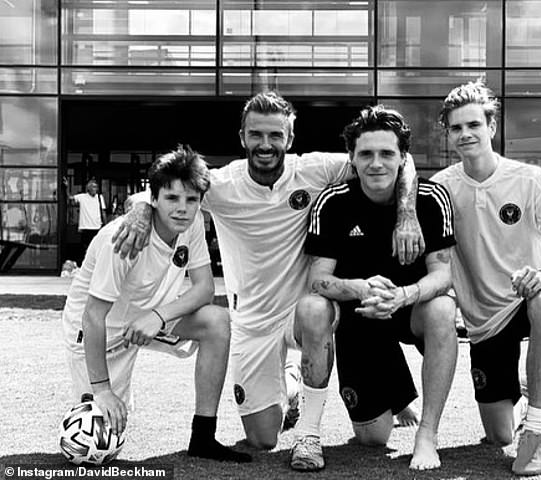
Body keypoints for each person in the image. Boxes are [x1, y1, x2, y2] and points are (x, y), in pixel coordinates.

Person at [110, 92, 424, 471]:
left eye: (276, 135)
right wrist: (141, 213)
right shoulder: (219, 185)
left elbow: (396, 163)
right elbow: (152, 195)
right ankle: (292, 382)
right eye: (256, 134)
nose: (265, 144)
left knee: (315, 311)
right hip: (252, 323)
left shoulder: (315, 169)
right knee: (263, 439)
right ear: (242, 137)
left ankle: (309, 433)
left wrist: (407, 212)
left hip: (305, 313)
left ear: (289, 140)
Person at [61, 145, 251, 463]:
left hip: (149, 316)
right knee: (99, 438)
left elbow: (204, 289)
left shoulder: (190, 226)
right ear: (154, 199)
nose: (182, 208)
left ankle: (203, 437)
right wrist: (103, 389)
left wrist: (158, 316)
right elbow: (93, 317)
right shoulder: (122, 239)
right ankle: (97, 396)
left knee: (218, 321)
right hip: (100, 335)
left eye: (191, 200)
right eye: (172, 198)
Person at [431, 80, 541, 476]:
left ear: (491, 127)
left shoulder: (530, 179)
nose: (466, 134)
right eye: (457, 128)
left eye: (474, 125)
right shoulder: (442, 188)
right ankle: (530, 392)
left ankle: (534, 431)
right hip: (484, 319)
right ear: (448, 133)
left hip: (531, 297)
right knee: (497, 436)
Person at [302, 105, 457, 471]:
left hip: (410, 308)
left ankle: (427, 435)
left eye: (387, 153)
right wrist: (357, 287)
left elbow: (443, 275)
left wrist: (404, 295)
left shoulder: (432, 199)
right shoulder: (333, 201)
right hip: (361, 313)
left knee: (443, 309)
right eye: (366, 154)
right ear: (352, 159)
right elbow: (317, 279)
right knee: (373, 439)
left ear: (403, 158)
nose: (376, 163)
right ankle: (396, 396)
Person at [63, 177, 107, 263]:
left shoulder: (99, 197)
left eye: (96, 187)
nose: (95, 189)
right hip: (86, 227)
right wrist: (67, 187)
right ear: (88, 188)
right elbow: (70, 198)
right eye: (93, 187)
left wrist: (105, 225)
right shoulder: (82, 197)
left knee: (96, 249)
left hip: (97, 227)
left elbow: (103, 212)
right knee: (85, 249)